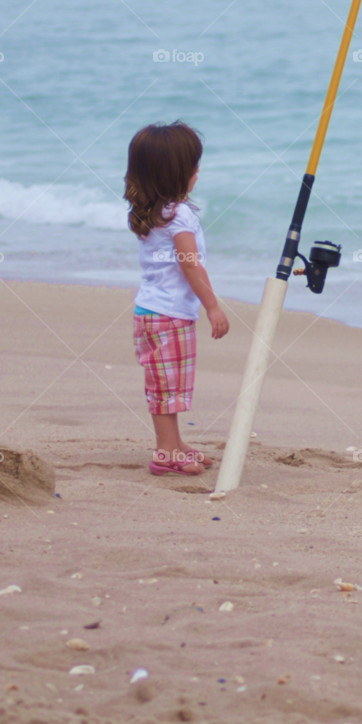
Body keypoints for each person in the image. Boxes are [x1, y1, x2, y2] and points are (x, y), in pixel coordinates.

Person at [124, 121, 229, 476]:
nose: (198, 172)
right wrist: (212, 305)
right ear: (177, 175)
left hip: (150, 312)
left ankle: (175, 443)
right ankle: (165, 452)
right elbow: (188, 263)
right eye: (193, 167)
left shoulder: (151, 212)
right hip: (168, 316)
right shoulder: (179, 215)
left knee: (165, 383)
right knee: (167, 387)